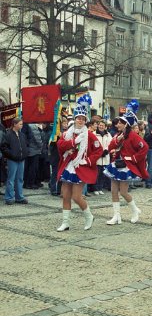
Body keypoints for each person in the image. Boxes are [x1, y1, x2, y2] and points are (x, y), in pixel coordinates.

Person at [56, 94, 103, 231]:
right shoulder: (68, 133)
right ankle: (66, 222)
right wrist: (70, 146)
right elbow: (60, 144)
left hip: (80, 167)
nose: (80, 121)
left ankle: (89, 216)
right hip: (69, 165)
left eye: (83, 119)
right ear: (75, 119)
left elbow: (98, 150)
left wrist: (87, 160)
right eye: (78, 118)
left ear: (85, 120)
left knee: (76, 196)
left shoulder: (89, 135)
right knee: (65, 195)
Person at [104, 101, 149, 224]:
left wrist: (134, 158)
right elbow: (109, 147)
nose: (117, 124)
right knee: (113, 191)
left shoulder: (133, 136)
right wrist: (115, 143)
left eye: (120, 122)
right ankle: (116, 216)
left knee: (123, 192)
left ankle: (135, 210)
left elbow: (144, 147)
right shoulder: (118, 135)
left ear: (126, 124)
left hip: (126, 166)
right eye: (118, 122)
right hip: (116, 164)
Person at [1, 118, 28, 205]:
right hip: (12, 160)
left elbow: (24, 145)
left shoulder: (22, 135)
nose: (22, 125)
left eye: (22, 124)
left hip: (21, 159)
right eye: (20, 124)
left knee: (19, 179)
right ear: (14, 124)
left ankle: (19, 197)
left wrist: (24, 154)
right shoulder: (8, 135)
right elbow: (4, 147)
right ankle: (9, 197)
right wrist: (11, 155)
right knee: (11, 179)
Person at [49, 114, 69, 196]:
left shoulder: (67, 132)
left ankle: (59, 190)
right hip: (55, 156)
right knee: (55, 173)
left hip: (64, 156)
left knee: (62, 173)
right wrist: (57, 137)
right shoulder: (55, 133)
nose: (65, 124)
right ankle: (53, 188)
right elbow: (52, 144)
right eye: (64, 123)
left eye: (66, 123)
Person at [94, 120, 112, 195]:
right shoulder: (94, 134)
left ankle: (100, 188)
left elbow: (111, 143)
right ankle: (95, 188)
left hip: (105, 156)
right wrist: (99, 152)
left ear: (105, 127)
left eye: (103, 126)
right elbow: (93, 144)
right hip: (97, 156)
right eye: (100, 125)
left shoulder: (108, 134)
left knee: (102, 174)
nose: (101, 127)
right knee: (96, 174)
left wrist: (106, 150)